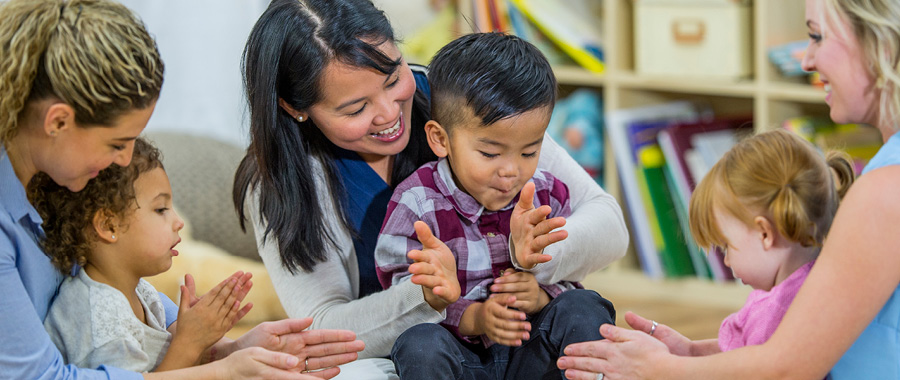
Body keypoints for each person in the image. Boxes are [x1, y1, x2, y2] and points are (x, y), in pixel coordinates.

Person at [232, 0, 629, 378]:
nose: (389, 113)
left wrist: (534, 254)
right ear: (295, 107)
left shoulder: (461, 99)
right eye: (355, 109)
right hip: (405, 353)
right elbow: (323, 329)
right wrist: (425, 296)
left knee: (585, 315)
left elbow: (608, 226)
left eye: (393, 78)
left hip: (523, 335)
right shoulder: (278, 183)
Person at [0, 1, 362, 379]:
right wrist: (224, 371)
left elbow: (139, 325)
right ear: (57, 121)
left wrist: (233, 349)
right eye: (116, 143)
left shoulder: (58, 182)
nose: (124, 161)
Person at [556, 0, 900, 378]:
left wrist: (661, 370)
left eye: (817, 37)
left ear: (880, 45)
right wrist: (687, 355)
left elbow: (786, 368)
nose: (806, 60)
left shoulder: (884, 190)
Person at [375, 32, 616, 379]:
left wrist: (542, 295)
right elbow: (398, 301)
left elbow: (570, 274)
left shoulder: (545, 192)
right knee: (419, 344)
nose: (511, 171)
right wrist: (472, 315)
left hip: (532, 355)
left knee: (585, 307)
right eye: (489, 153)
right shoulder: (417, 203)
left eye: (529, 152)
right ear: (440, 139)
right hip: (463, 359)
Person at [628, 130, 855, 360]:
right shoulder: (819, 283)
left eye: (726, 246)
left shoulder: (775, 314)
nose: (726, 261)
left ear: (765, 233)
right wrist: (691, 351)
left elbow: (748, 369)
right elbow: (742, 354)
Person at [34, 138, 250, 371]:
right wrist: (190, 343)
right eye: (161, 209)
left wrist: (208, 336)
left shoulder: (137, 291)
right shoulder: (100, 318)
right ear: (109, 226)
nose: (178, 222)